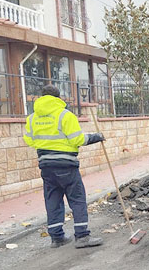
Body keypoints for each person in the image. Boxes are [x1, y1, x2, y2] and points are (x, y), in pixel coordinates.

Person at [24, 85, 105, 249]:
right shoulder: (65, 115)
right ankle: (82, 236)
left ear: (42, 97)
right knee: (77, 198)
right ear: (58, 97)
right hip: (66, 165)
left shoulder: (32, 118)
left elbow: (29, 140)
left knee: (52, 199)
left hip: (46, 165)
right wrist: (97, 137)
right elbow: (78, 139)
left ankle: (57, 237)